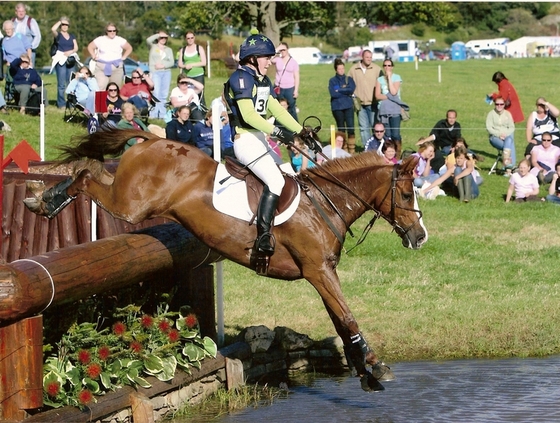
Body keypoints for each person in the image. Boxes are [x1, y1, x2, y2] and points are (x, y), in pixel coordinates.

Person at [223, 33, 303, 258]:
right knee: (276, 180)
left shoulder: (262, 80)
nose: (270, 61)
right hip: (245, 140)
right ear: (252, 58)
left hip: (259, 139)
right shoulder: (241, 78)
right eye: (266, 57)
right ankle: (263, 235)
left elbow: (276, 109)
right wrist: (277, 131)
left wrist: (299, 130)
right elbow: (248, 116)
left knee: (289, 172)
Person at [348, 50, 382, 152]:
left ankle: (376, 148)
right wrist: (353, 96)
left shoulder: (376, 69)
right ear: (362, 57)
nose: (369, 59)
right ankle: (367, 149)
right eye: (367, 57)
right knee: (363, 128)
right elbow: (348, 83)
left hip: (373, 103)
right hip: (359, 104)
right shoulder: (354, 69)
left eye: (371, 57)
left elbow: (382, 83)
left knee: (374, 126)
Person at [87, 23, 133, 90]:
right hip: (101, 68)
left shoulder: (120, 40)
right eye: (110, 31)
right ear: (106, 31)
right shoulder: (100, 39)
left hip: (116, 68)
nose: (112, 32)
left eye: (114, 31)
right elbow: (90, 47)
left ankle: (113, 100)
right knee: (100, 87)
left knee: (115, 88)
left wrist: (124, 57)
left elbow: (129, 48)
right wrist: (93, 56)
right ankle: (101, 100)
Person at [375, 59, 405, 154]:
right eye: (385, 65)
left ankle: (397, 152)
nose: (387, 67)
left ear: (392, 67)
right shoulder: (379, 80)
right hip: (384, 110)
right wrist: (389, 97)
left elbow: (394, 92)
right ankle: (388, 153)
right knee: (387, 134)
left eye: (389, 65)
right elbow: (377, 96)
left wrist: (389, 78)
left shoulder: (396, 78)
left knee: (395, 134)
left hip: (395, 110)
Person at [328, 58, 355, 152]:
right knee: (341, 128)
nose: (341, 70)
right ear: (336, 69)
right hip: (337, 107)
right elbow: (333, 94)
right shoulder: (332, 81)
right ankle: (343, 149)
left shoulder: (349, 79)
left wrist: (339, 89)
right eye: (339, 69)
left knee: (351, 128)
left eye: (343, 68)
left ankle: (352, 150)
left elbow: (351, 89)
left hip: (348, 106)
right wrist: (345, 90)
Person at [51, 17, 78, 108]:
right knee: (61, 84)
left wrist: (70, 52)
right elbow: (53, 29)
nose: (65, 26)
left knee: (71, 82)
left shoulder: (72, 36)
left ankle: (71, 103)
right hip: (60, 60)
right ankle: (61, 104)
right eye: (63, 25)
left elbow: (76, 48)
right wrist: (60, 21)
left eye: (66, 24)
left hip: (70, 60)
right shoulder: (58, 35)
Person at [146, 31, 174, 119]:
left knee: (164, 94)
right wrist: (159, 34)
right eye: (161, 37)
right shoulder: (153, 46)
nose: (163, 39)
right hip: (155, 72)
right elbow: (148, 40)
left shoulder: (168, 49)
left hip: (166, 72)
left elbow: (172, 62)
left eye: (165, 38)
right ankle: (153, 114)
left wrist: (163, 65)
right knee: (156, 93)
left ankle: (162, 114)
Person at [487, 96, 516, 176]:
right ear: (494, 104)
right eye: (497, 104)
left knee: (509, 141)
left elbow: (512, 127)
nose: (499, 106)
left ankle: (507, 168)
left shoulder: (508, 114)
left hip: (506, 137)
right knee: (508, 147)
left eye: (501, 104)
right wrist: (499, 134)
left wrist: (505, 134)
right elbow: (489, 128)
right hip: (494, 138)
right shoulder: (491, 114)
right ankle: (509, 167)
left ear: (504, 105)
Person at [271, 42, 300, 122]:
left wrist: (296, 90)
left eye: (284, 49)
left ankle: (296, 128)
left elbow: (296, 76)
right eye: (281, 50)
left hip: (289, 87)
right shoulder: (277, 60)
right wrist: (277, 50)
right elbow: (269, 59)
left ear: (288, 50)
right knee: (277, 107)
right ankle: (278, 125)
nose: (282, 51)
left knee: (291, 107)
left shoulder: (293, 62)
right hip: (278, 87)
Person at [177, 31, 206, 106]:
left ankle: (202, 112)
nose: (190, 39)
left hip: (198, 75)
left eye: (192, 38)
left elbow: (204, 62)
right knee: (187, 94)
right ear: (186, 39)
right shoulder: (182, 50)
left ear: (194, 38)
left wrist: (192, 65)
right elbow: (180, 64)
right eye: (188, 38)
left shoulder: (199, 48)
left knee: (200, 95)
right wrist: (185, 66)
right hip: (187, 75)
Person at [13, 3, 41, 67]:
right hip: (16, 52)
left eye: (23, 11)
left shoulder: (30, 21)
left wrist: (30, 47)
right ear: (16, 12)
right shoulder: (12, 22)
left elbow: (37, 36)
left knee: (28, 71)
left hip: (28, 52)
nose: (21, 13)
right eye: (19, 11)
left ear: (25, 12)